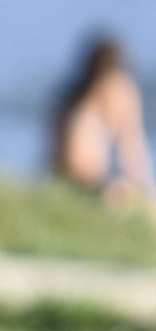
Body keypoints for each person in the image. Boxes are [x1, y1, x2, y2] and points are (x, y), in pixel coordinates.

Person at [52, 35, 154, 209]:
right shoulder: (113, 94)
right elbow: (132, 150)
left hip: (69, 179)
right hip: (87, 183)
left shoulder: (69, 97)